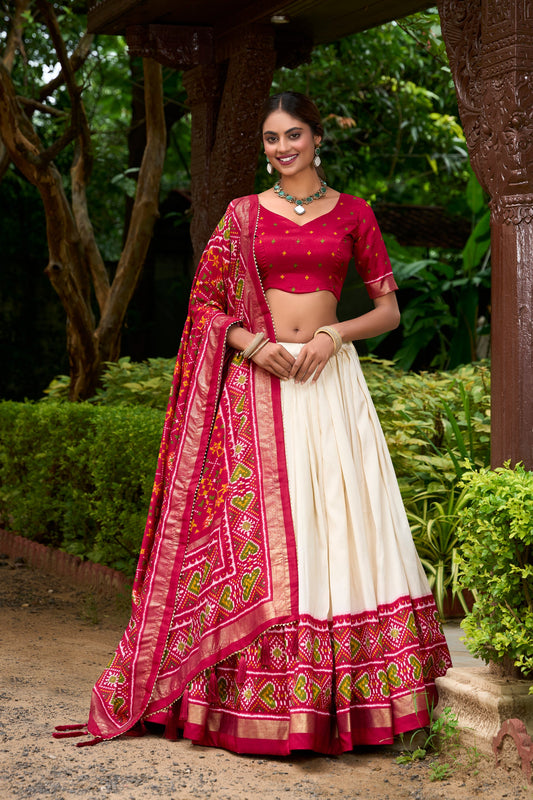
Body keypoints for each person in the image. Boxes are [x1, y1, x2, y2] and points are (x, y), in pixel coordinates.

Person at [55, 91, 451, 755]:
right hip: (258, 389)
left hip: (329, 386)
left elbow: (387, 311)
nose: (282, 147)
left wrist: (331, 335)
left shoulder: (353, 214)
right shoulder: (241, 216)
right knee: (251, 539)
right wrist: (249, 344)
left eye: (292, 134)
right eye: (271, 138)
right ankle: (241, 701)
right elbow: (205, 305)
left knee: (336, 526)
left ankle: (342, 702)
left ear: (317, 138)